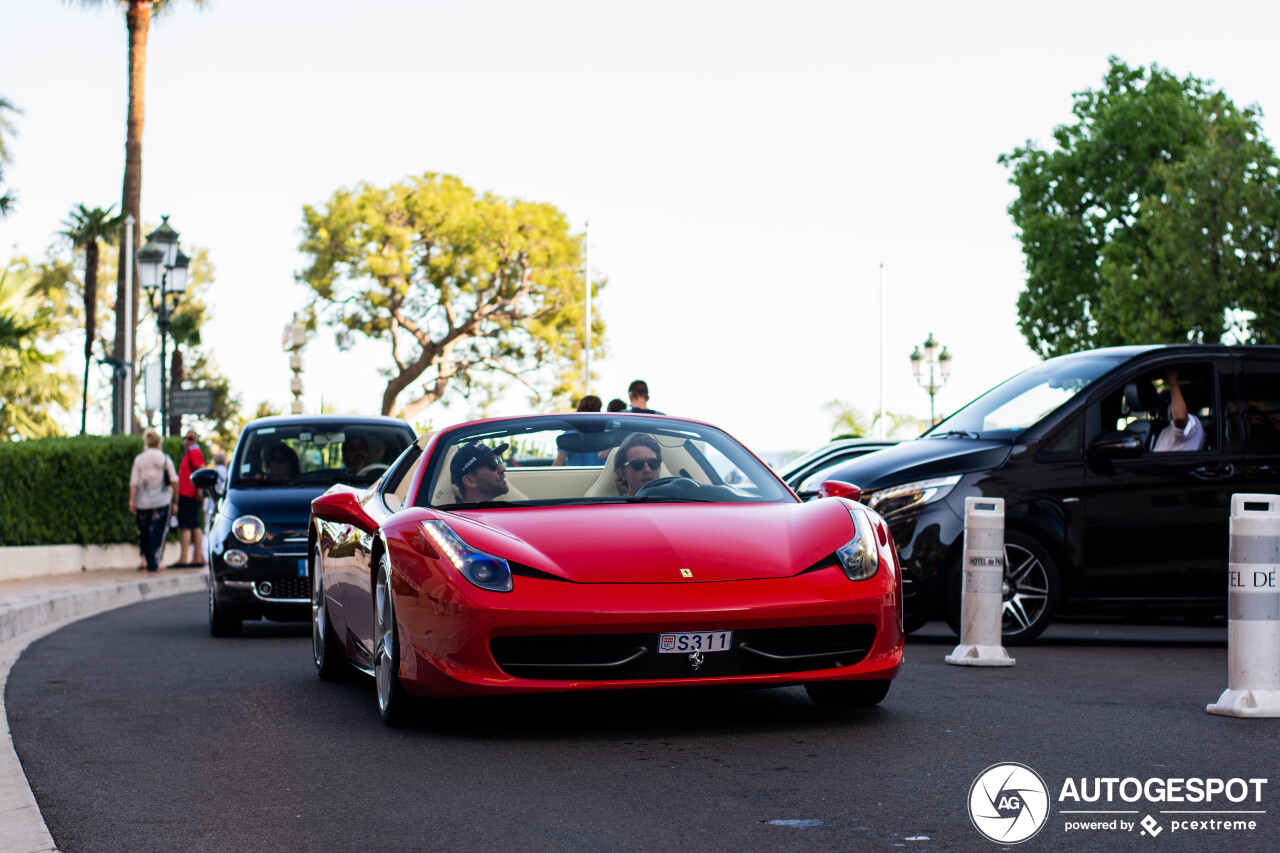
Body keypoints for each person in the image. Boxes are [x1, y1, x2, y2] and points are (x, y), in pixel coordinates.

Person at [129, 429, 178, 573]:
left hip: (143, 501)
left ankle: (146, 560)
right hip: (162, 500)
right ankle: (155, 561)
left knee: (144, 532)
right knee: (159, 532)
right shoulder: (165, 458)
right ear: (159, 442)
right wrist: (175, 500)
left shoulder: (140, 459)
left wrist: (131, 500)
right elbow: (174, 480)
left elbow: (134, 482)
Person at [172, 430, 207, 568]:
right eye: (185, 438)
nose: (187, 441)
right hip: (187, 494)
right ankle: (195, 557)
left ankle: (185, 558)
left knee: (187, 526)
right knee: (193, 525)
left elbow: (200, 471)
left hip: (189, 494)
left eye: (190, 438)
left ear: (196, 440)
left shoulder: (195, 453)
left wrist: (199, 491)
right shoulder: (189, 454)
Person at [1154, 368, 1206, 452]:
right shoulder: (1166, 430)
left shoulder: (1194, 425)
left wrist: (1173, 381)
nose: (1170, 405)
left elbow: (1180, 418)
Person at [553, 396, 604, 466]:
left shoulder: (568, 435)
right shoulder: (606, 435)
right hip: (601, 476)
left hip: (574, 476)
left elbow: (558, 464)